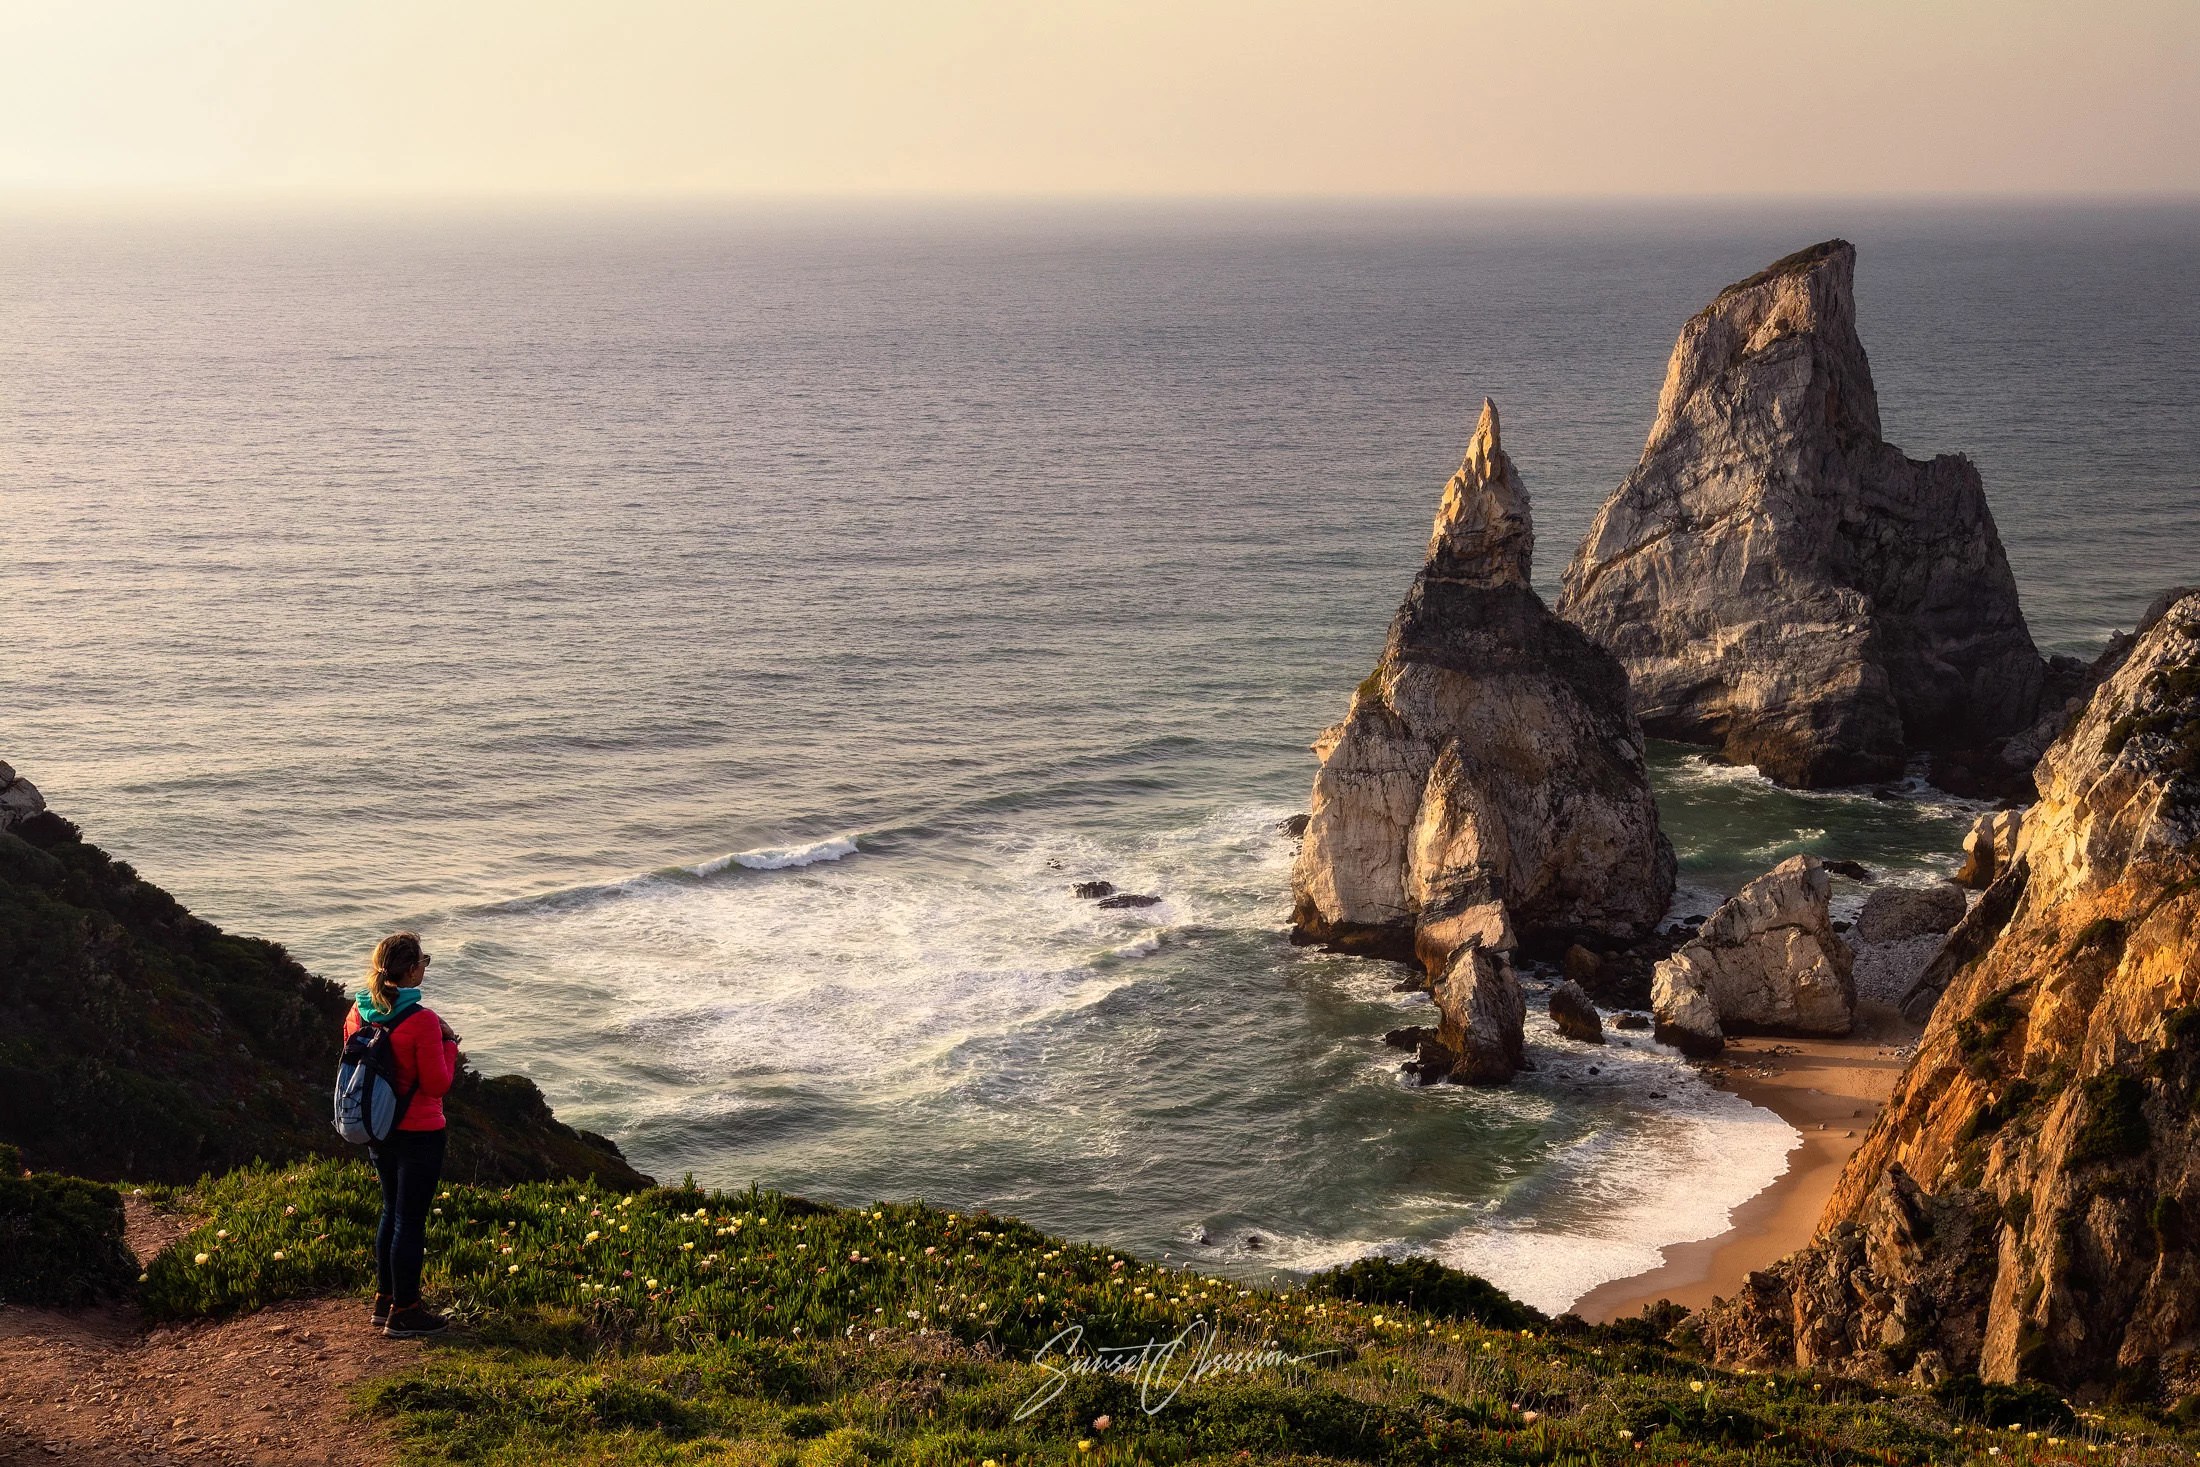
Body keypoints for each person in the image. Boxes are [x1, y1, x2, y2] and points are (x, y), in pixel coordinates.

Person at [346, 930, 460, 1338]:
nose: (424, 968)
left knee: (389, 1211)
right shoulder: (423, 1021)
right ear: (412, 970)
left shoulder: (358, 1013)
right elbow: (437, 1084)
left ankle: (384, 1300)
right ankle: (406, 1311)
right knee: (409, 1220)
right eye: (423, 962)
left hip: (378, 1127)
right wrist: (450, 1043)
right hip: (419, 1131)